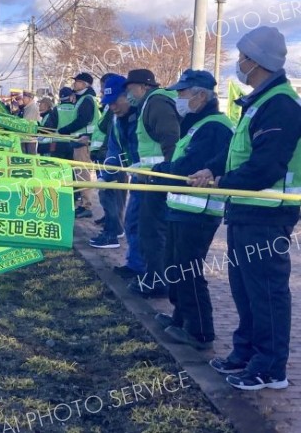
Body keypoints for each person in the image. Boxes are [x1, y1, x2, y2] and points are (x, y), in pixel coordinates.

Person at [191, 26, 301, 390]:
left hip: (268, 214)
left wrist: (225, 182)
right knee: (244, 288)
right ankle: (246, 353)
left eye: (242, 56)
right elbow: (239, 153)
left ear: (255, 60)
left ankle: (270, 369)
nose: (238, 63)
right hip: (246, 210)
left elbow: (266, 166)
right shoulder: (258, 103)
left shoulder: (280, 105)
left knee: (266, 291)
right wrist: (213, 169)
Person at [151, 69, 234, 350]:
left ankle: (200, 331)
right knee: (174, 266)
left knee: (188, 270)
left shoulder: (215, 126)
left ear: (201, 94)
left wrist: (161, 170)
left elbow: (188, 165)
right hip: (182, 207)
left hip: (199, 212)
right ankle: (180, 317)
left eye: (182, 93)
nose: (178, 98)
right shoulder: (197, 123)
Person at [124, 69, 180, 297]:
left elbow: (170, 139)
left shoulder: (156, 103)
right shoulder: (150, 103)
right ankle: (154, 277)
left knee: (153, 232)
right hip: (152, 178)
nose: (129, 94)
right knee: (151, 230)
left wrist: (164, 171)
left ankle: (157, 281)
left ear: (143, 86)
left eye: (130, 89)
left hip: (158, 180)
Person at [89, 75, 130, 249]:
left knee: (111, 195)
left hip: (113, 161)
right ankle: (114, 228)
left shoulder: (125, 115)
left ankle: (112, 232)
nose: (112, 106)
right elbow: (112, 139)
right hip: (107, 157)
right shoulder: (114, 113)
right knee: (109, 195)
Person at [57, 72, 101, 219]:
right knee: (81, 172)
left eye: (77, 82)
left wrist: (65, 130)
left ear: (85, 84)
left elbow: (83, 120)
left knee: (83, 173)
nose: (74, 84)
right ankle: (84, 203)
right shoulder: (85, 99)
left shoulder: (87, 100)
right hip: (80, 140)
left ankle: (86, 205)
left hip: (83, 142)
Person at [49, 87, 76, 160]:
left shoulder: (56, 109)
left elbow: (51, 127)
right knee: (72, 168)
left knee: (59, 167)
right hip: (73, 141)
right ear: (70, 96)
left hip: (58, 142)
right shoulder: (76, 108)